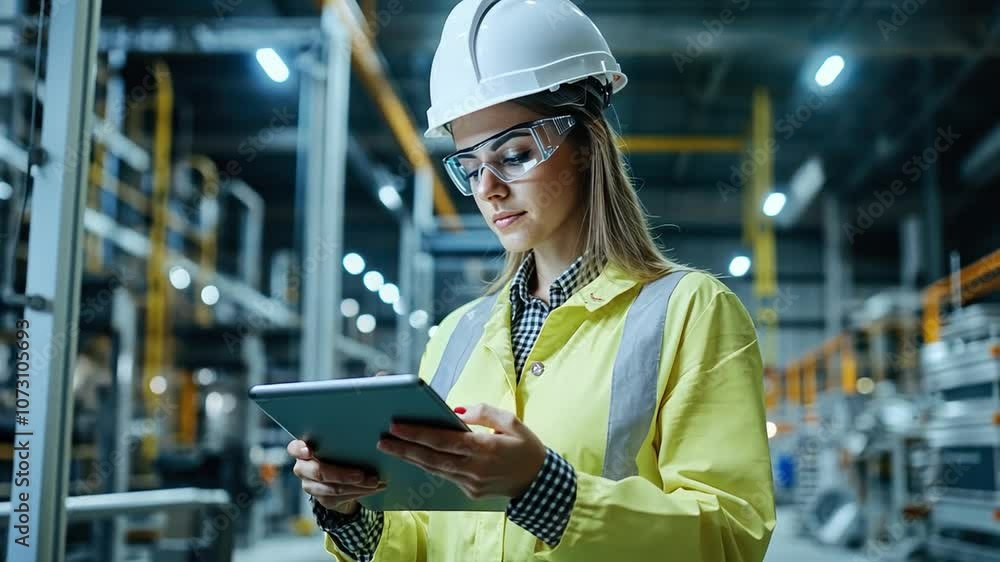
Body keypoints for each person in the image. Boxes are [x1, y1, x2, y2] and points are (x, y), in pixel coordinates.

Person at [288, 0, 776, 560]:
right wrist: (351, 510)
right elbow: (423, 539)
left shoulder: (690, 312)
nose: (488, 188)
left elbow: (732, 537)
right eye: (470, 167)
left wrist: (547, 491)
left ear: (588, 146)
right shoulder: (455, 336)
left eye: (515, 154)